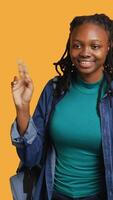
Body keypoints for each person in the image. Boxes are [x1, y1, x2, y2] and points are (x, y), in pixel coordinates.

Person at [10, 13, 113, 200]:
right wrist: (23, 108)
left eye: (95, 46)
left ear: (108, 47)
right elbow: (31, 158)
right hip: (52, 193)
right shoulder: (54, 90)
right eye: (77, 45)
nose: (85, 52)